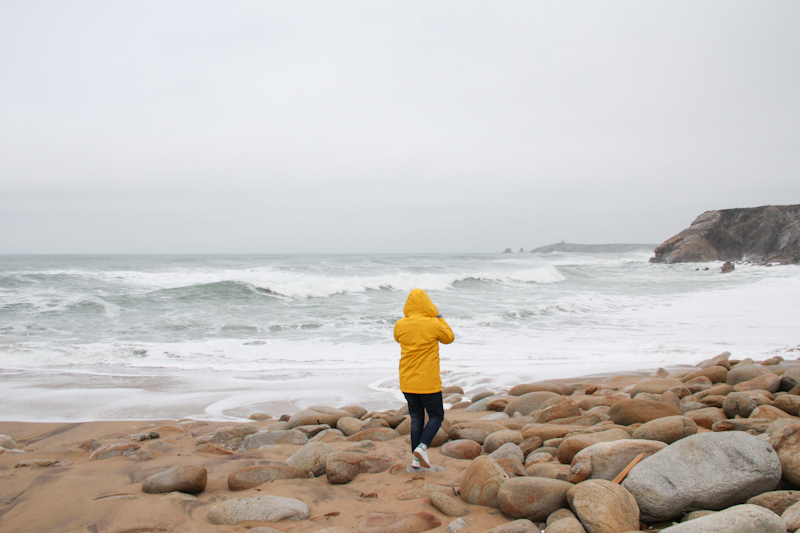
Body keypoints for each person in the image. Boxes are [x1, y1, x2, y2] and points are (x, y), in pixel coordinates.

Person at [394, 288, 454, 469]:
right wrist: (439, 317)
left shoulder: (400, 324)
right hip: (428, 382)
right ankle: (423, 446)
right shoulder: (433, 324)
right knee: (436, 416)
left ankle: (416, 459)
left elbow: (398, 338)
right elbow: (449, 338)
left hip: (407, 381)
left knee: (417, 418)